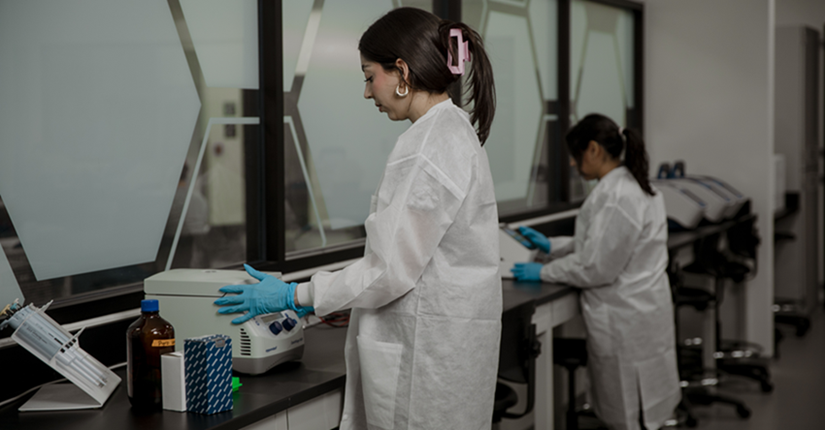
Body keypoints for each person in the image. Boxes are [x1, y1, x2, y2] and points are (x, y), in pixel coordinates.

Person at [215, 7, 502, 429]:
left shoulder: (423, 147)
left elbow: (387, 271)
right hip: (450, 348)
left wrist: (295, 295)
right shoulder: (453, 129)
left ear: (401, 71)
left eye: (370, 77)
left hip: (426, 359)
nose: (368, 93)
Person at [511, 114, 681, 430]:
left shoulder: (617, 195)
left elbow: (596, 267)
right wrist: (551, 245)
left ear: (592, 149)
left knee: (630, 411)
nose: (574, 166)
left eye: (575, 157)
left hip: (626, 317)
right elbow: (600, 243)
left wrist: (543, 272)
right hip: (642, 310)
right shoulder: (631, 185)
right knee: (642, 408)